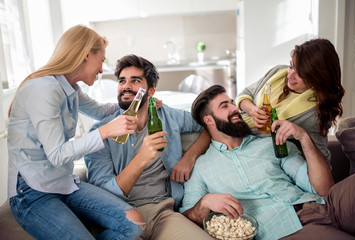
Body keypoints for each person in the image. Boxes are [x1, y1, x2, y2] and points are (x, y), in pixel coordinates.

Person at [7, 25, 144, 240]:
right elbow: (57, 155)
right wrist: (106, 131)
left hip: (64, 182)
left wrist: (137, 102)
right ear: (86, 55)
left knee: (134, 223)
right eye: (101, 60)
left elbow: (100, 110)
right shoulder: (44, 89)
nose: (101, 70)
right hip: (32, 192)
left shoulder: (70, 88)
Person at [180, 85, 355, 240]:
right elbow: (186, 220)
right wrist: (205, 203)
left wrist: (304, 138)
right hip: (287, 227)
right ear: (209, 120)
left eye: (232, 103)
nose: (234, 108)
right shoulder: (202, 168)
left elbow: (323, 189)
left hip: (325, 204)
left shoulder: (269, 143)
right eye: (224, 106)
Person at [84, 54, 213, 240]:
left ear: (151, 91)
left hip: (163, 214)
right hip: (122, 218)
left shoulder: (167, 116)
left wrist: (189, 157)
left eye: (135, 81)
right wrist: (142, 158)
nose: (126, 86)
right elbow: (104, 196)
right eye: (122, 81)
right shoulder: (99, 133)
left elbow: (207, 125)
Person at [236, 38, 345, 163]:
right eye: (291, 66)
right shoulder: (277, 72)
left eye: (301, 74)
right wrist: (252, 110)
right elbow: (245, 94)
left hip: (251, 151)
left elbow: (321, 158)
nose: (290, 76)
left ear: (318, 77)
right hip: (232, 131)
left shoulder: (315, 113)